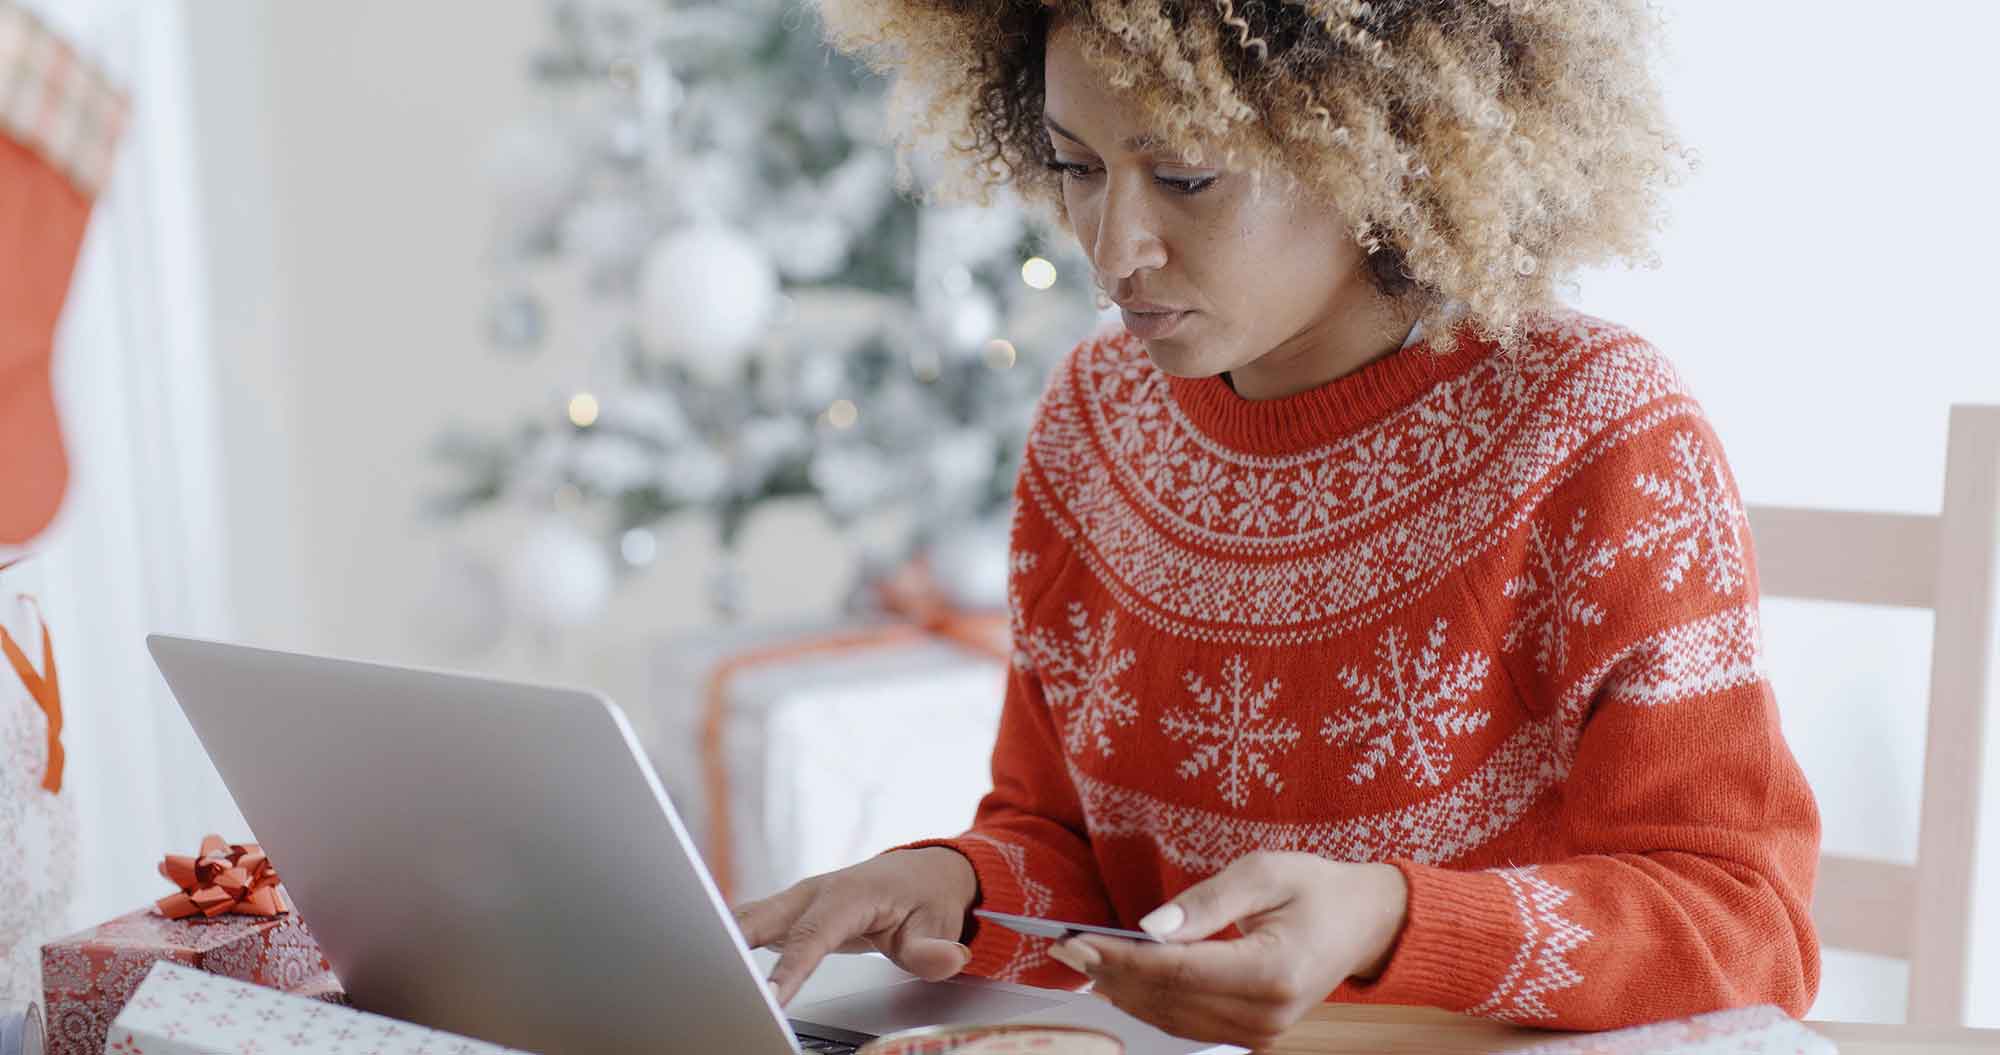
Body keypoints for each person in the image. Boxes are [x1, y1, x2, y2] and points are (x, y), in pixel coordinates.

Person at [732, 1, 1820, 1047]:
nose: (1113, 250)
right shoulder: (1094, 421)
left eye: (1186, 176)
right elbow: (1069, 853)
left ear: (1379, 146)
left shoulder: (1592, 427)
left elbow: (1746, 923)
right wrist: (953, 884)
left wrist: (1388, 918)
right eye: (1075, 165)